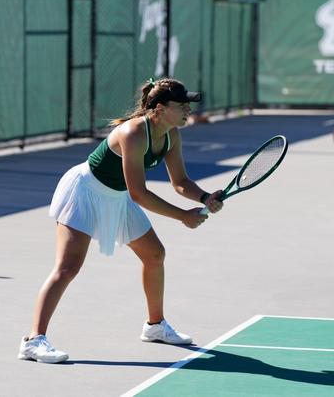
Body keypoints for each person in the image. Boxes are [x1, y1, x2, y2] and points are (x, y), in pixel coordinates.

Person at [18, 78, 224, 363]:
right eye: (182, 105)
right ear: (160, 109)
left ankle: (155, 327)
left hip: (117, 196)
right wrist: (182, 217)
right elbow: (139, 194)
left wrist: (203, 198)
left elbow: (180, 182)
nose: (188, 110)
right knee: (67, 268)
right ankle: (33, 341)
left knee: (155, 254)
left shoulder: (172, 135)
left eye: (189, 105)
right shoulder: (134, 133)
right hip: (85, 192)